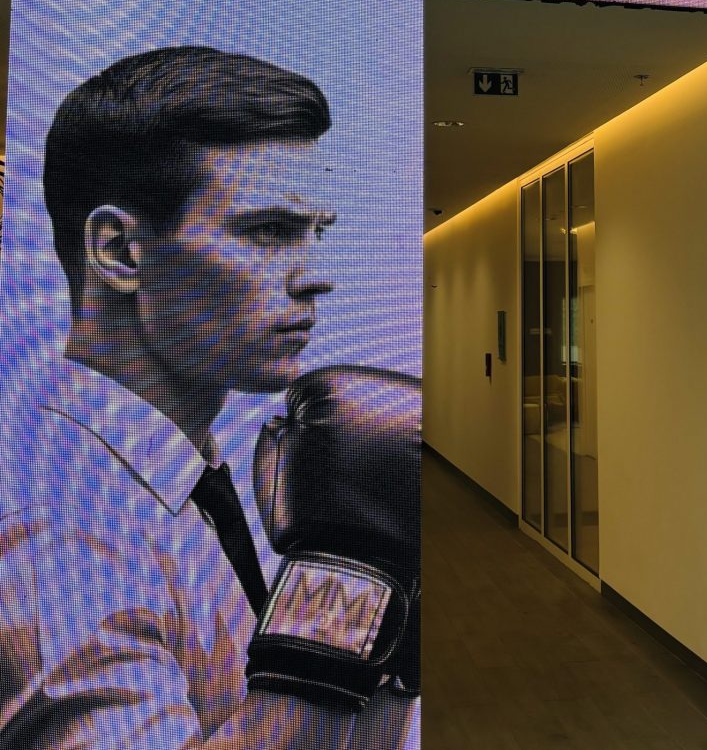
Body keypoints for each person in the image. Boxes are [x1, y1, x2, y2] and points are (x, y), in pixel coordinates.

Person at [0, 46, 419, 749]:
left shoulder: (173, 482)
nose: (315, 276)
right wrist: (347, 601)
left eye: (315, 233)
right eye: (268, 232)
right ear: (119, 251)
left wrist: (389, 643)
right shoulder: (62, 530)